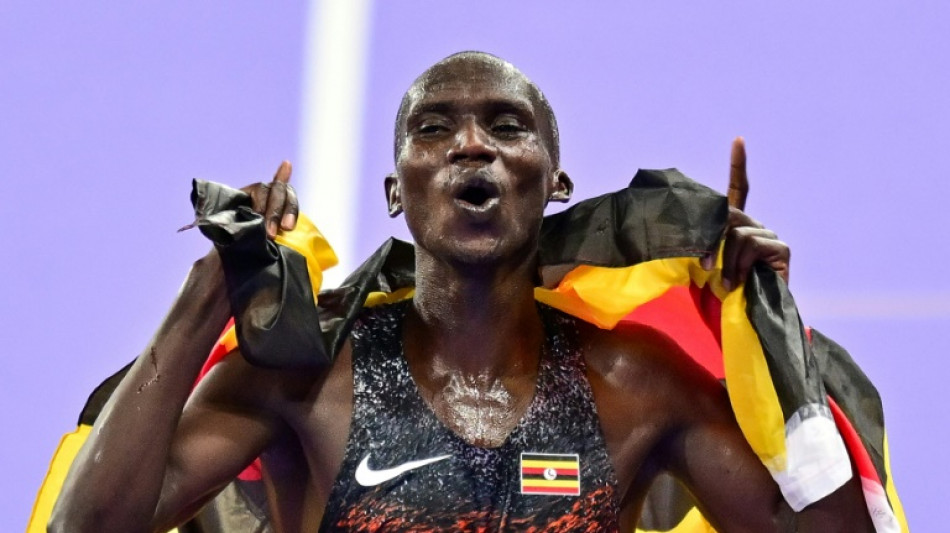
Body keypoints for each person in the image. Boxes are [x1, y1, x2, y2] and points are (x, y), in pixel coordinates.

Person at [48, 51, 875, 532]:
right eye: (434, 127)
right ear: (395, 193)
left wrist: (775, 339)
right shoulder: (309, 375)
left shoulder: (636, 386)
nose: (471, 144)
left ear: (555, 183)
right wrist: (210, 294)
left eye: (507, 127)